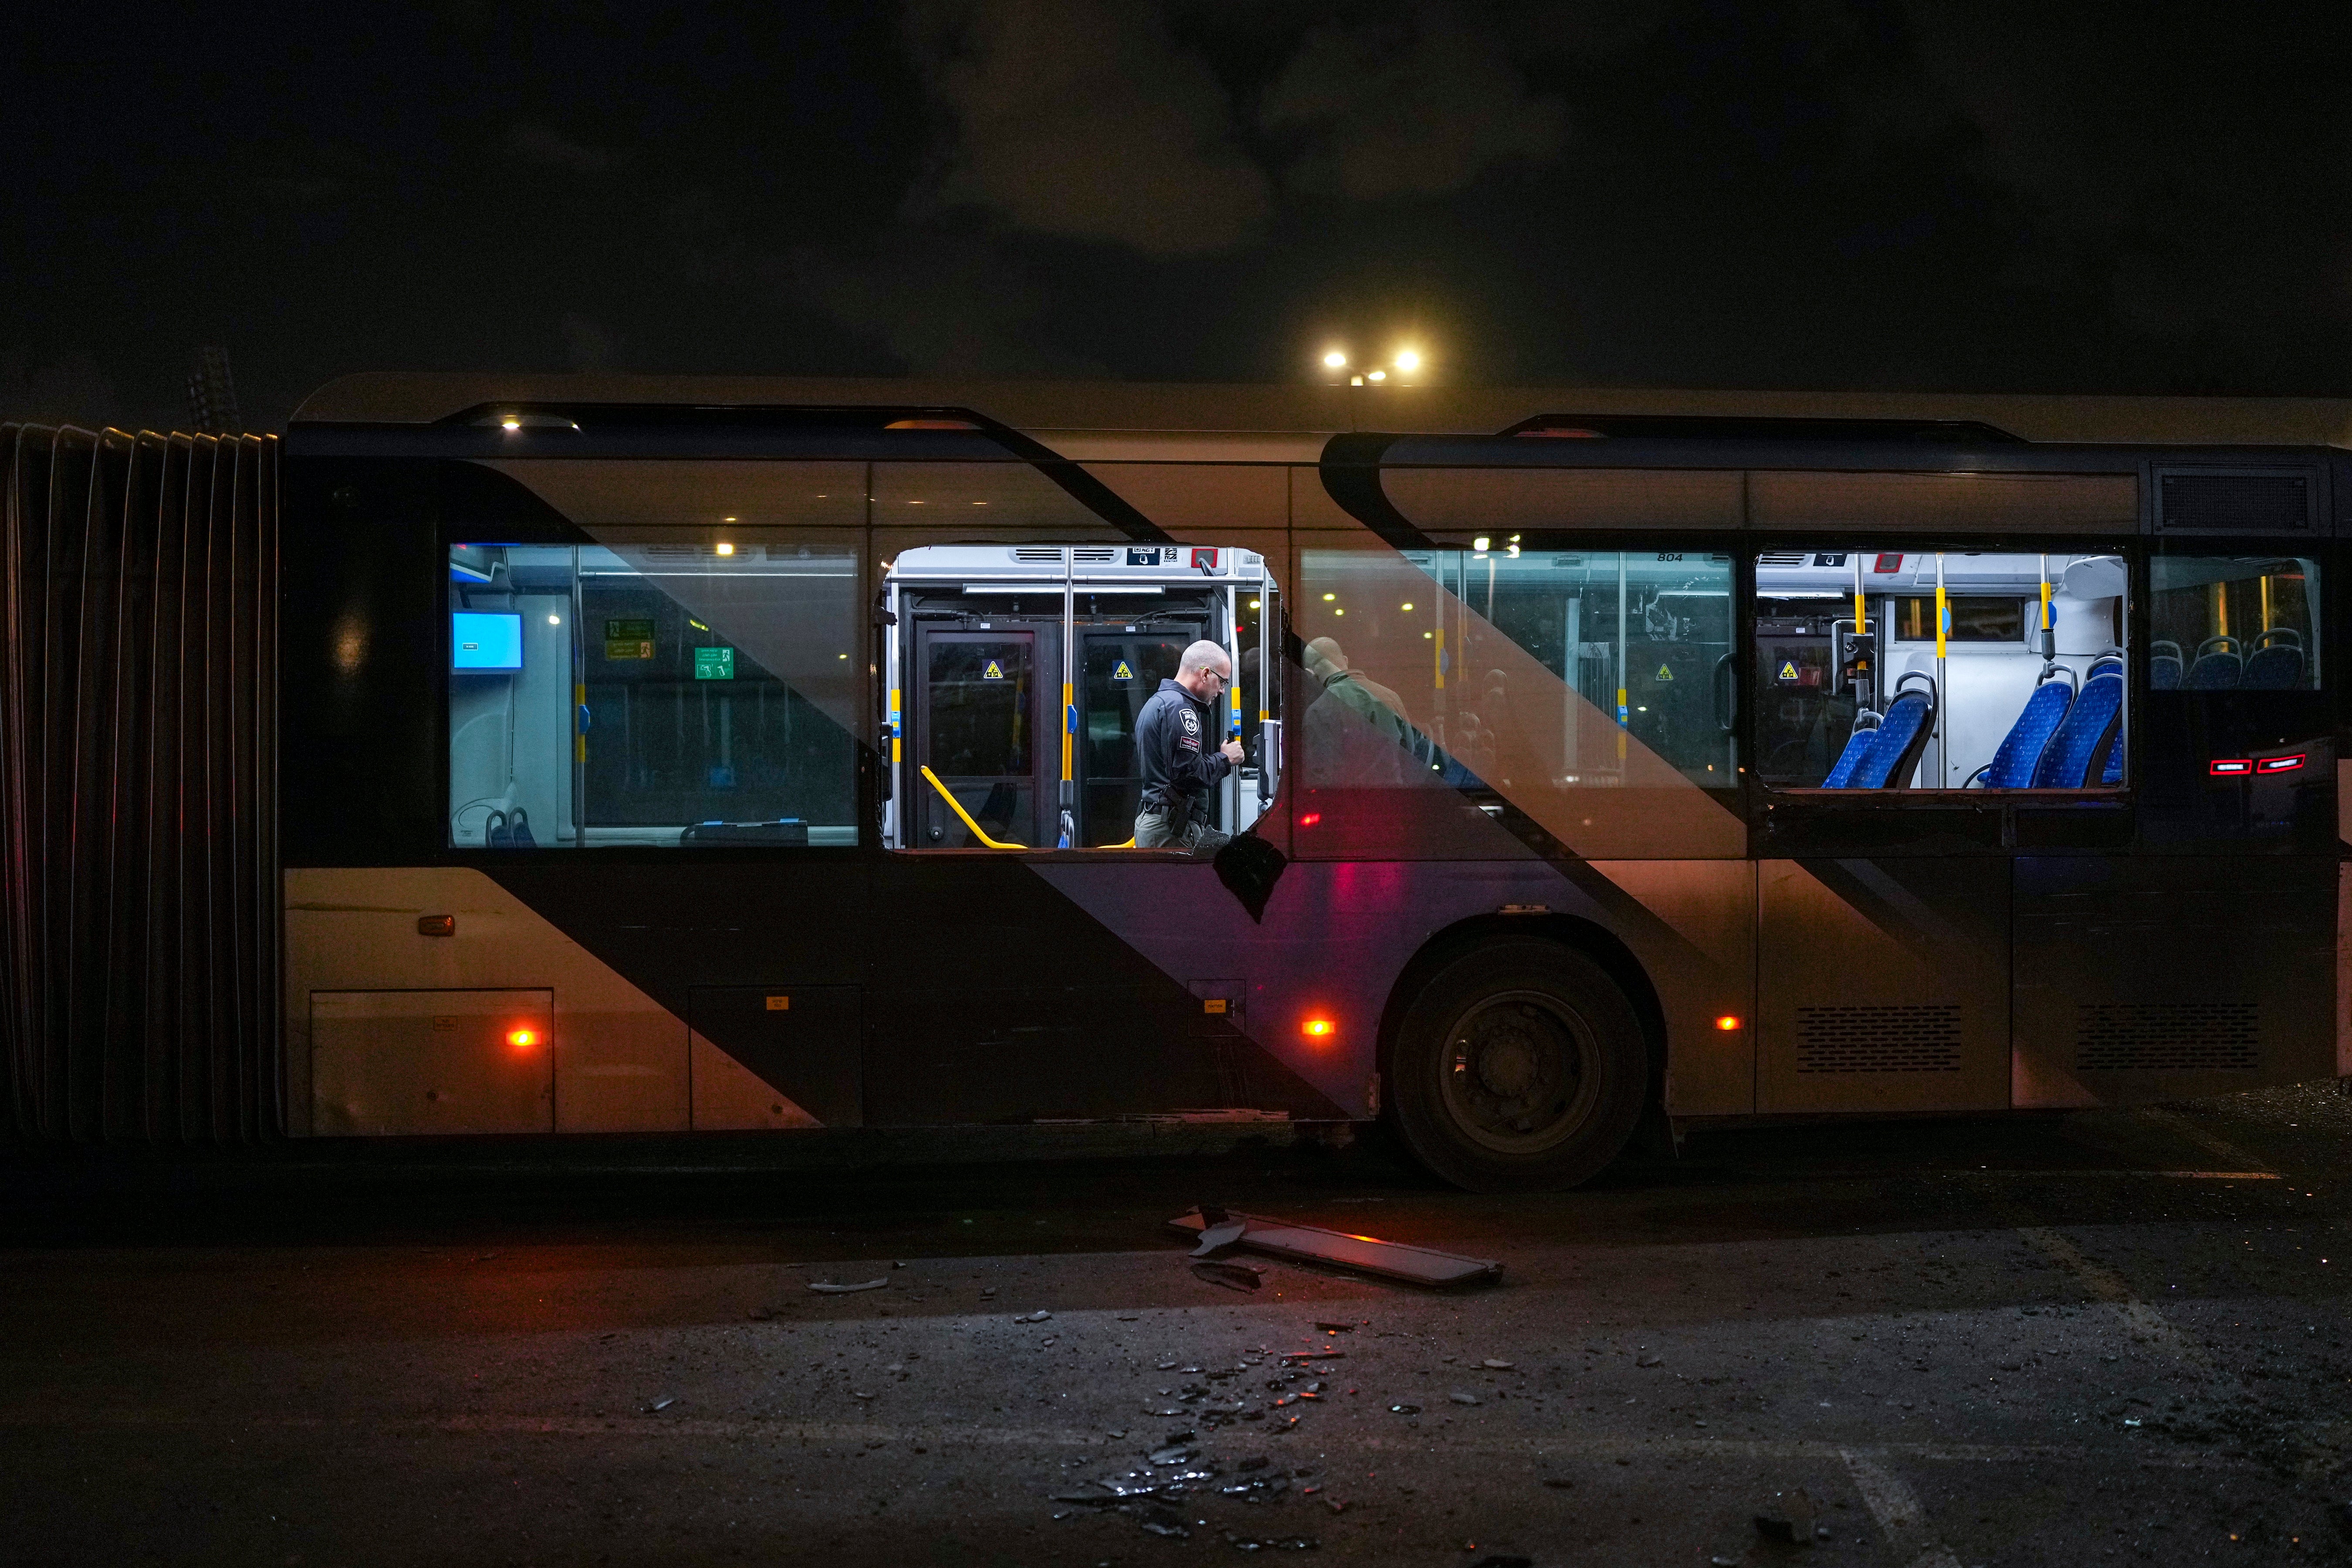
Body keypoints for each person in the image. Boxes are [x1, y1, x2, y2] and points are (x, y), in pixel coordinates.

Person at [1133, 640, 1245, 852]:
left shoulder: (1158, 702)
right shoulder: (1181, 710)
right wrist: (1226, 759)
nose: (1222, 691)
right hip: (1170, 829)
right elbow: (1187, 774)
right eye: (1222, 682)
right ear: (1205, 675)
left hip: (1159, 823)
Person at [1301, 636, 1415, 786]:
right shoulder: (1391, 697)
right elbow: (1411, 758)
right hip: (1394, 802)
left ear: (1310, 673)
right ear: (1346, 661)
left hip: (1348, 806)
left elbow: (1319, 777)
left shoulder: (1318, 711)